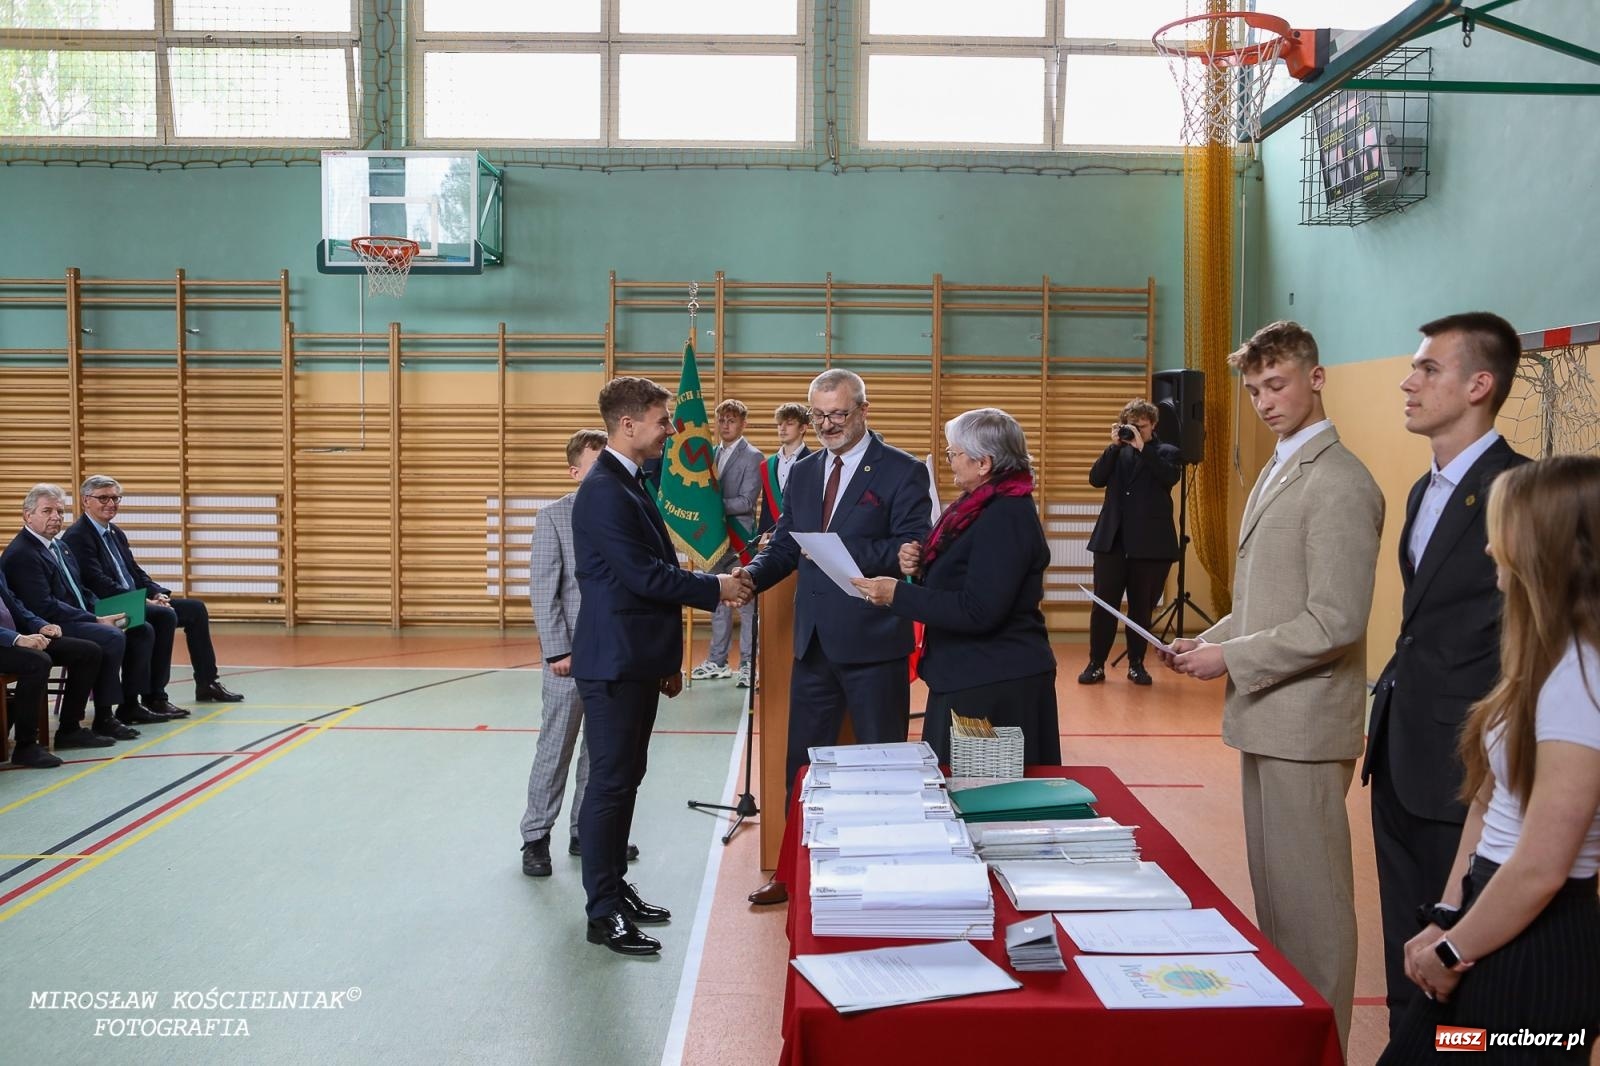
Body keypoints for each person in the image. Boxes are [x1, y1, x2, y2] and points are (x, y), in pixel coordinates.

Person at [1161, 320, 1383, 1053]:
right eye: (1254, 389)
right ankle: (1291, 1044)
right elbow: (1267, 603)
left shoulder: (1341, 481)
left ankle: (1325, 1049)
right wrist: (1213, 638)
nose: (1264, 400)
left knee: (1313, 913)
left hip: (1307, 723)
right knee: (1279, 906)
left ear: (1317, 378)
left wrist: (1232, 659)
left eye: (1277, 384)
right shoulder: (1281, 466)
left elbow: (1335, 620)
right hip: (1269, 717)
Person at [1378, 456, 1600, 1064]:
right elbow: (1489, 799)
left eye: (1501, 533)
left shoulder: (1581, 683)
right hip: (1486, 919)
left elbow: (1542, 866)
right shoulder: (1542, 661)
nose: (1488, 549)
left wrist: (1450, 953)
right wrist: (1448, 916)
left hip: (1535, 953)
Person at [1363, 312, 1529, 1036]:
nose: (1409, 381)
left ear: (1479, 385)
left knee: (1454, 949)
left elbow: (1526, 644)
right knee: (1404, 941)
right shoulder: (1422, 489)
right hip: (1400, 750)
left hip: (1463, 761)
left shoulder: (1518, 492)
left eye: (1428, 368)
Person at [735, 368, 932, 906]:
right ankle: (793, 872)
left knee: (882, 766)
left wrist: (852, 554)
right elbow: (787, 545)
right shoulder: (799, 471)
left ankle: (884, 876)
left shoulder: (903, 471)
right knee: (800, 767)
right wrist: (751, 578)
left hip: (874, 644)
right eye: (818, 415)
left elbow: (909, 548)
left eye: (838, 414)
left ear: (864, 410)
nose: (826, 425)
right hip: (813, 644)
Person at [569, 376, 747, 957]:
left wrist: (668, 661)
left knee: (625, 783)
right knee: (610, 787)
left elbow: (652, 569)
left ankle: (616, 888)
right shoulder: (603, 491)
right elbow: (644, 578)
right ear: (629, 424)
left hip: (637, 659)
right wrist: (717, 586)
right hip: (614, 662)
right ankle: (602, 912)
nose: (671, 430)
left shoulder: (631, 482)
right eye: (662, 420)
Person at [852, 408, 1058, 766]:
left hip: (994, 682)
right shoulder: (981, 505)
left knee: (986, 801)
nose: (949, 461)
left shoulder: (1004, 515)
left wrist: (898, 594)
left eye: (954, 453)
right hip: (970, 674)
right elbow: (962, 575)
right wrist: (917, 566)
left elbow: (978, 611)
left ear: (984, 463)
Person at [518, 429, 639, 878]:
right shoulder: (553, 517)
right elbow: (543, 592)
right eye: (595, 464)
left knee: (600, 753)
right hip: (569, 659)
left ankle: (585, 831)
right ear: (575, 472)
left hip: (613, 656)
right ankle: (536, 835)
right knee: (556, 748)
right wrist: (557, 652)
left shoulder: (623, 510)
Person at [65, 474, 244, 712]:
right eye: (103, 498)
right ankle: (155, 696)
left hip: (133, 600)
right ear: (86, 500)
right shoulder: (78, 536)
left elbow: (136, 572)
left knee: (195, 609)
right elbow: (98, 583)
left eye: (115, 498)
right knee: (163, 616)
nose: (111, 503)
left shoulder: (115, 532)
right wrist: (144, 602)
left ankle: (207, 682)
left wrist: (158, 594)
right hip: (106, 606)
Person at [1, 484, 152, 741]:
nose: (56, 517)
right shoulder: (22, 553)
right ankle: (104, 716)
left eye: (60, 512)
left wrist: (103, 611)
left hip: (71, 616)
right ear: (28, 515)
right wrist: (95, 619)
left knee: (139, 625)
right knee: (111, 636)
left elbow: (80, 588)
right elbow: (44, 606)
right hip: (53, 622)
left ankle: (134, 702)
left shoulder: (59, 546)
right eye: (47, 511)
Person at [1081, 398, 1182, 687]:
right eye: (1130, 426)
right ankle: (1096, 663)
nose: (1135, 431)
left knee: (1140, 608)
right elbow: (1096, 479)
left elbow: (1168, 478)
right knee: (1103, 606)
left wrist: (1143, 448)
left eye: (1141, 426)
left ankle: (1136, 664)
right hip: (1112, 541)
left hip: (1150, 546)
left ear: (1154, 426)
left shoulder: (1167, 452)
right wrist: (1114, 446)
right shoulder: (1116, 452)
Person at [0, 568, 107, 765]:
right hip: (6, 640)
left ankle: (69, 729)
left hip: (13, 636)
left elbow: (13, 603)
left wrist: (39, 624)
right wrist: (16, 639)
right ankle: (26, 745)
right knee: (37, 661)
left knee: (88, 652)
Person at [692, 399, 763, 688]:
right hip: (714, 538)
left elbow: (746, 502)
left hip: (740, 538)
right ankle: (717, 661)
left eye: (732, 420)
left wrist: (713, 506)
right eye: (722, 420)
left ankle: (747, 663)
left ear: (743, 423)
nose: (726, 425)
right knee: (717, 599)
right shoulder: (708, 454)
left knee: (746, 603)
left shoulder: (753, 456)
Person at [757, 402, 812, 540]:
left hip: (799, 538)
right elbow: (766, 507)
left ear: (803, 428)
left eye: (789, 423)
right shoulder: (767, 465)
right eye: (780, 424)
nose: (782, 428)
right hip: (771, 539)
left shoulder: (814, 464)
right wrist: (760, 536)